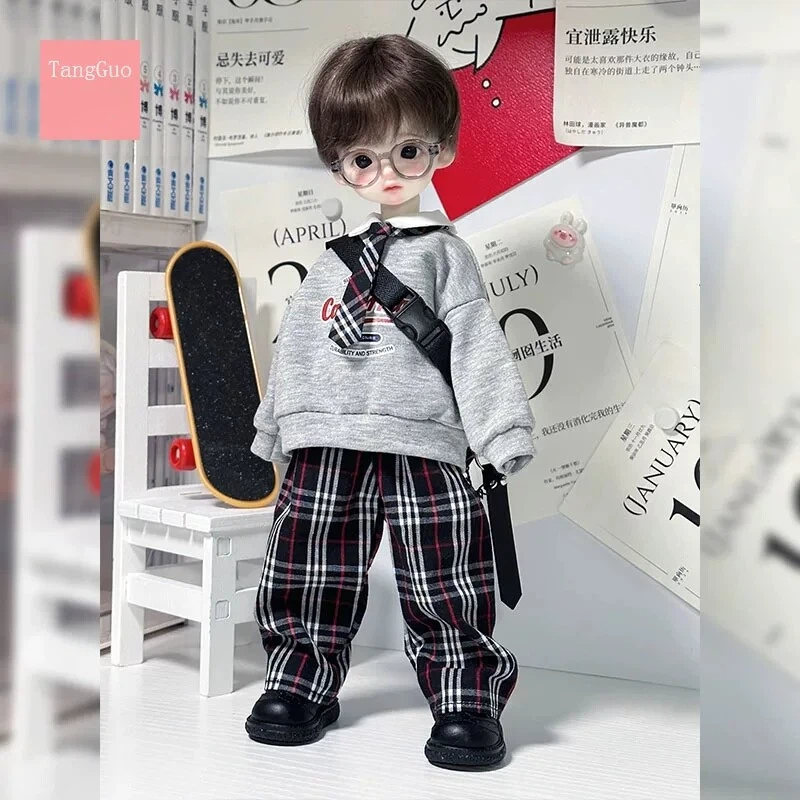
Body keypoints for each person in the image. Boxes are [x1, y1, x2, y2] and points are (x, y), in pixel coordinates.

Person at [245, 33, 536, 770]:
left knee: (445, 573)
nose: (387, 173)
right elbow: (299, 346)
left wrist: (500, 431)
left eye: (408, 152)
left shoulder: (444, 255)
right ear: (338, 164)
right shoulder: (330, 260)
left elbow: (474, 342)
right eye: (363, 159)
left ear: (442, 147)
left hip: (421, 438)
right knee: (308, 562)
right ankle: (299, 680)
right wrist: (273, 425)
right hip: (326, 438)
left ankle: (465, 695)